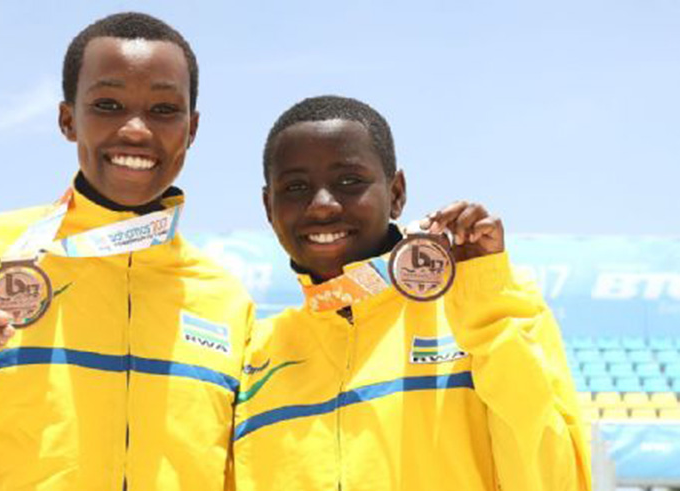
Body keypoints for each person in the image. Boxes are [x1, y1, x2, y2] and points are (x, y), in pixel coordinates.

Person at [0, 12, 252, 490]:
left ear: (192, 128)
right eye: (108, 104)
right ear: (68, 120)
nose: (137, 130)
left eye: (163, 110)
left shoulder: (225, 300)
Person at [232, 95, 591, 490]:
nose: (322, 205)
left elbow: (554, 480)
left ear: (397, 192)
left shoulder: (488, 308)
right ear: (269, 206)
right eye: (296, 187)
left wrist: (484, 302)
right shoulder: (255, 355)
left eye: (349, 181)